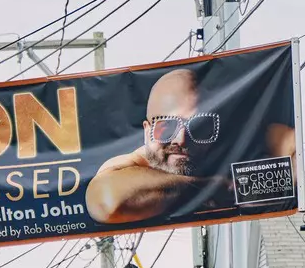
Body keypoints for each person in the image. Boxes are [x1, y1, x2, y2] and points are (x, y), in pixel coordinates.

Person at [84, 64, 294, 225]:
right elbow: (106, 202)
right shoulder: (135, 162)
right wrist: (217, 187)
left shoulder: (233, 143)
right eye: (166, 126)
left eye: (199, 126)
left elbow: (293, 151)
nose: (181, 139)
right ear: (148, 131)